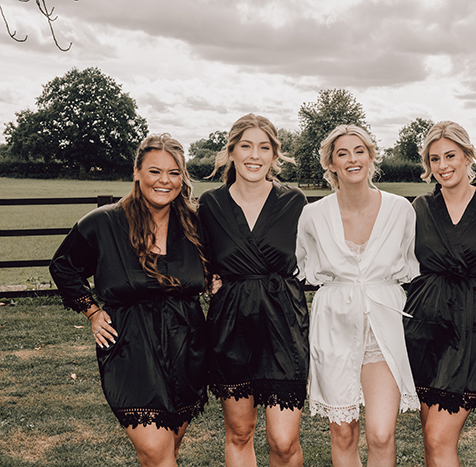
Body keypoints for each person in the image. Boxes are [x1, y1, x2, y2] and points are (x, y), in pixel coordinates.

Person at [50, 134, 208, 467]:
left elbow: (219, 266)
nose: (164, 181)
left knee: (168, 449)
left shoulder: (194, 224)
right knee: (156, 450)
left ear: (182, 177)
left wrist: (216, 279)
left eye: (174, 173)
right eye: (155, 171)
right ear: (136, 172)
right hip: (129, 347)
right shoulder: (103, 223)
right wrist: (92, 312)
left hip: (186, 345)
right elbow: (63, 266)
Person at [296, 124, 420, 466]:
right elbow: (301, 264)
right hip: (334, 325)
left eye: (359, 151)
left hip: (384, 326)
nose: (352, 159)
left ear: (370, 157)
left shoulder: (400, 210)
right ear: (331, 164)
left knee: (381, 433)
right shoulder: (313, 215)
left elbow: (414, 263)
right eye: (342, 153)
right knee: (344, 433)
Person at [198, 113, 309, 467]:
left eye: (264, 147)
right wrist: (206, 280)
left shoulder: (294, 202)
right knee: (240, 432)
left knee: (284, 441)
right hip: (232, 324)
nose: (254, 155)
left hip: (283, 324)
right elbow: (197, 258)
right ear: (231, 151)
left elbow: (319, 254)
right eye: (246, 146)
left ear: (275, 155)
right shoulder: (210, 205)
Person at [403, 121, 476, 466]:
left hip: (474, 326)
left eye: (450, 156)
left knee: (438, 436)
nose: (443, 165)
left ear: (467, 156)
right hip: (425, 326)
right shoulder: (420, 207)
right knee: (431, 437)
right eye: (434, 159)